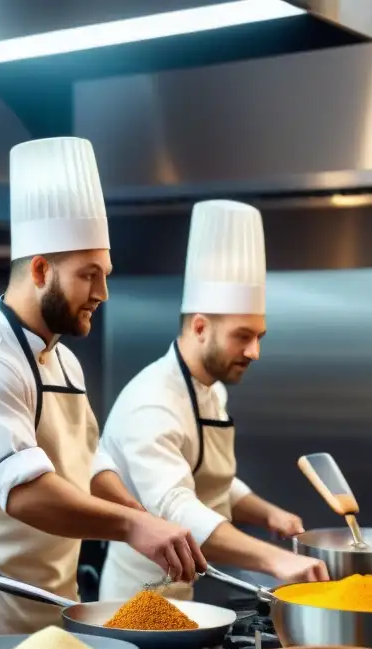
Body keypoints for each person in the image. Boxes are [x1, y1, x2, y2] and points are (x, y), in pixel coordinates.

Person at [0, 137, 206, 649]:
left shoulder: (63, 359)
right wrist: (132, 525)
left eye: (104, 275)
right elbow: (27, 493)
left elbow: (86, 460)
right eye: (90, 275)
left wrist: (140, 513)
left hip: (51, 606)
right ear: (40, 271)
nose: (102, 293)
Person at [98, 200, 329, 607]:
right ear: (200, 327)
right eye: (243, 336)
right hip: (136, 601)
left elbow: (208, 478)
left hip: (184, 589)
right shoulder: (151, 404)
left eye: (260, 336)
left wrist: (267, 514)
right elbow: (176, 508)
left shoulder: (211, 390)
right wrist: (275, 561)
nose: (254, 351)